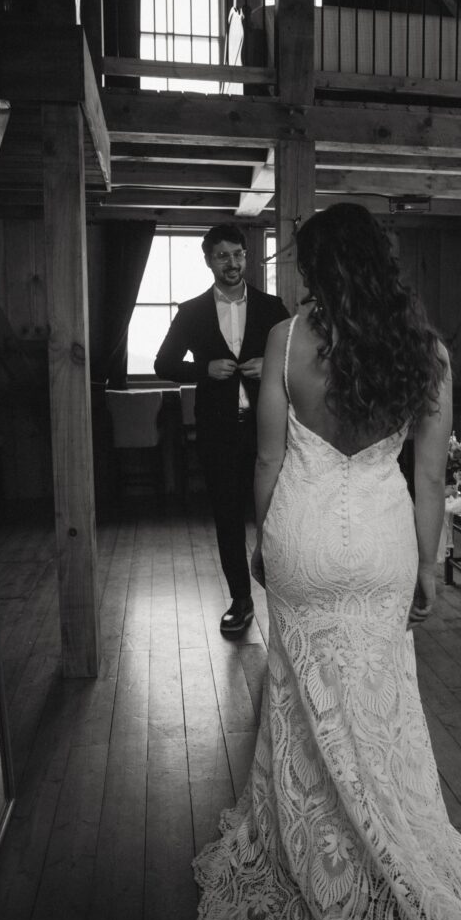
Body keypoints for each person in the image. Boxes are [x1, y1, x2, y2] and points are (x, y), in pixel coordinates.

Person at [193, 204, 461, 920]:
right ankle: (387, 835)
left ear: (319, 270)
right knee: (380, 699)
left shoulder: (286, 340)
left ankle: (312, 841)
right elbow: (429, 476)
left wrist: (265, 544)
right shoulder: (425, 352)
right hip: (378, 543)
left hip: (301, 537)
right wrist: (429, 564)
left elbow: (267, 463)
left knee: (301, 692)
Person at [154, 223, 289, 635]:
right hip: (217, 430)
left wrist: (270, 364)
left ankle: (286, 598)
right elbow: (163, 363)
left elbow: (298, 359)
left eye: (238, 254)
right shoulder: (191, 311)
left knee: (281, 514)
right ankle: (241, 599)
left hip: (270, 428)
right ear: (208, 259)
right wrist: (203, 369)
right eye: (222, 255)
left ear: (246, 257)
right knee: (228, 516)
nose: (232, 263)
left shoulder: (272, 306)